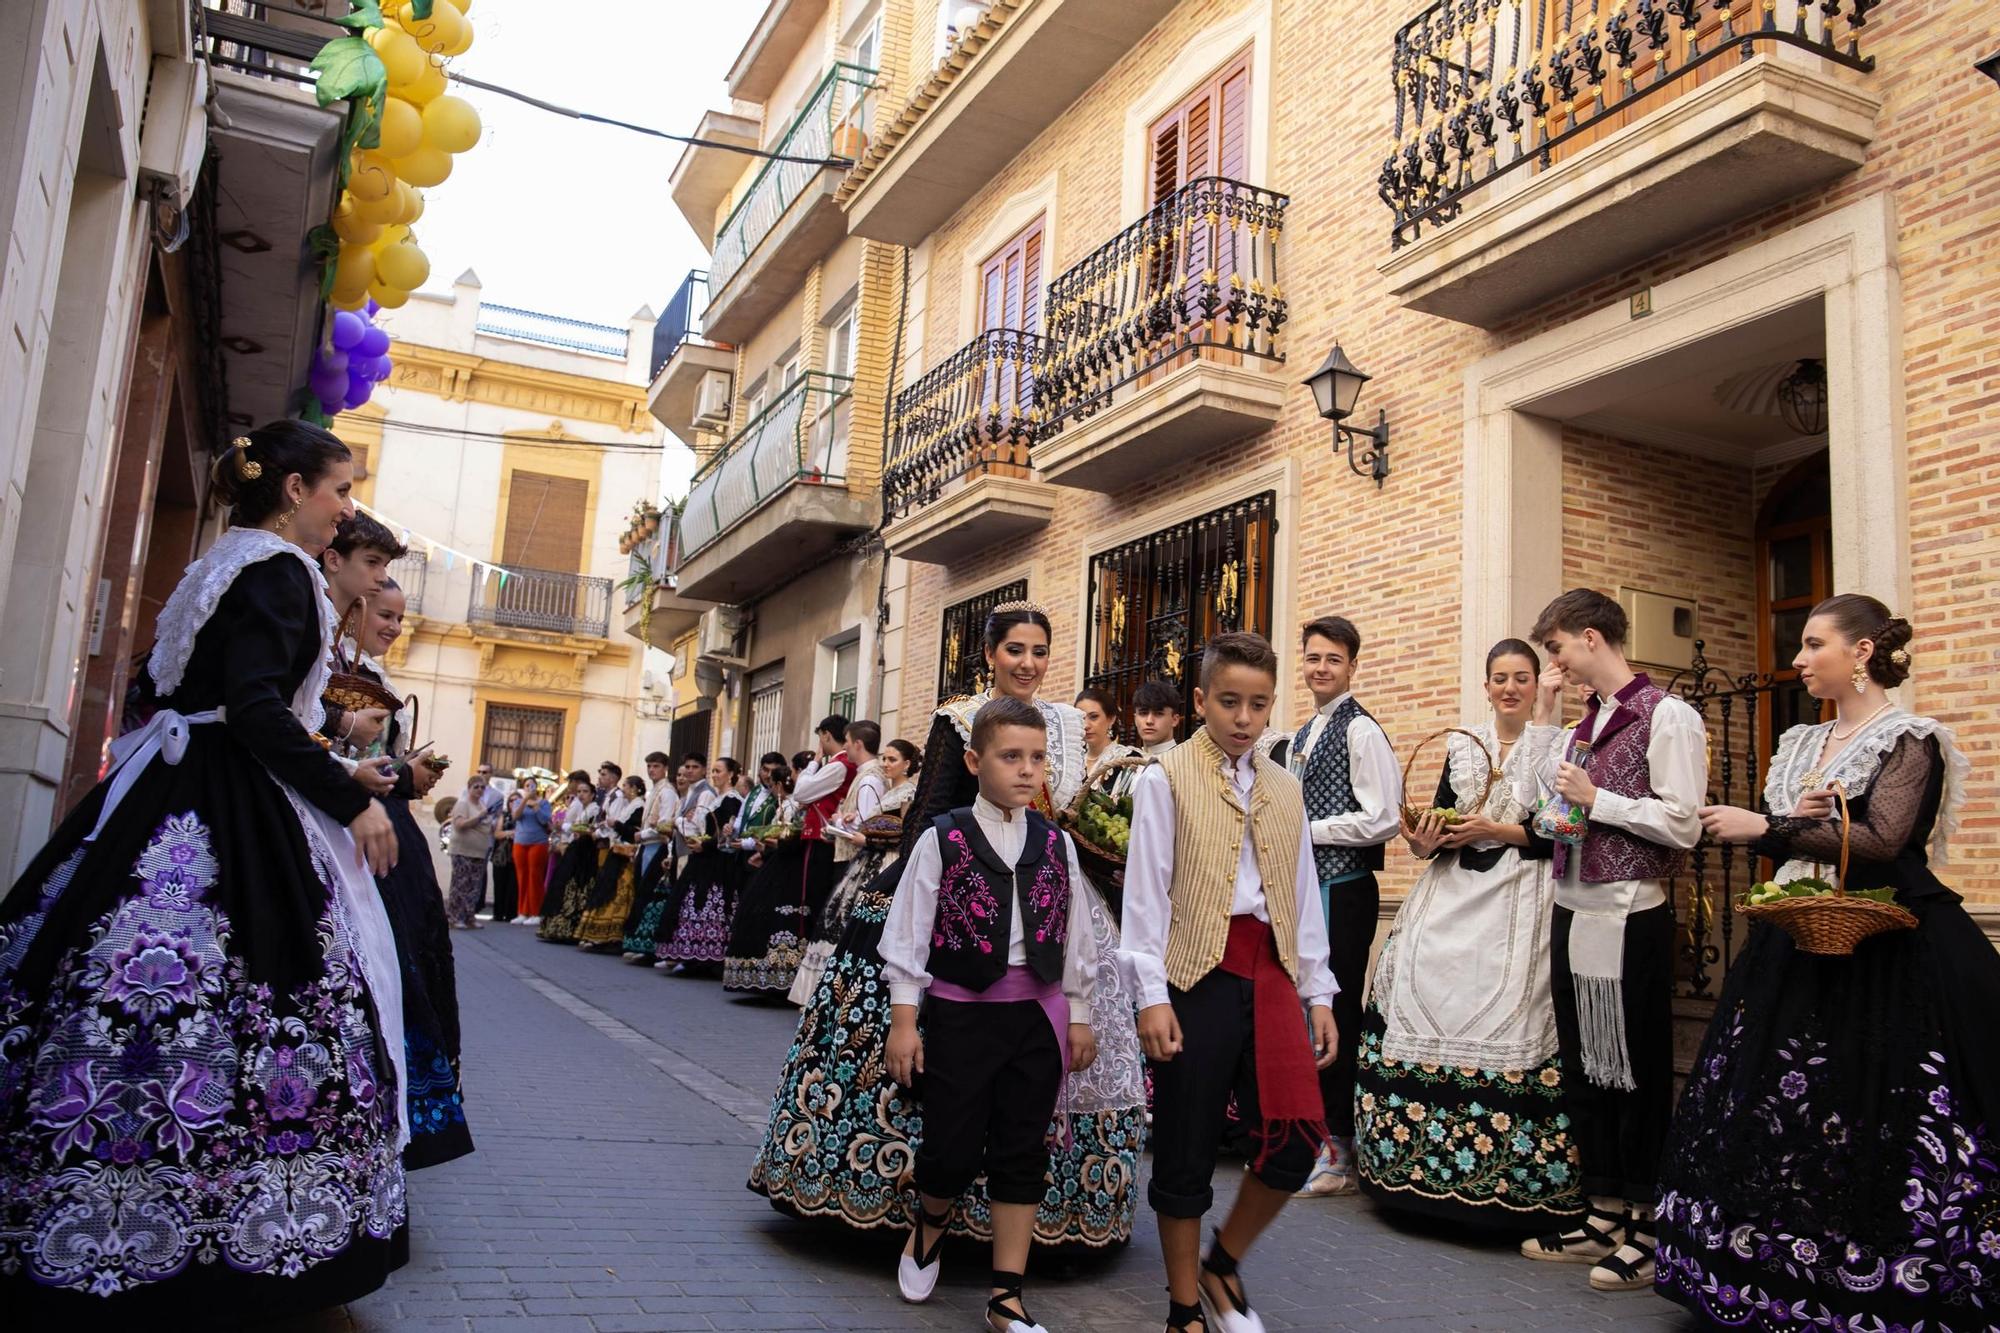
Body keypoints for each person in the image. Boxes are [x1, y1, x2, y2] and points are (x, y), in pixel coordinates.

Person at [0, 423, 409, 1318]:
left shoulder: (215, 565)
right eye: (341, 490)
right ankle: (233, 1227)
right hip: (229, 800)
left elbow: (163, 687)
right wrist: (351, 799)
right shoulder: (278, 570)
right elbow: (256, 706)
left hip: (171, 784)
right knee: (266, 987)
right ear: (296, 488)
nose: (347, 511)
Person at [750, 601, 1142, 1251]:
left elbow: (1069, 811)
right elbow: (928, 813)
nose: (1028, 662)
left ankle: (1050, 1220)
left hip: (1045, 897)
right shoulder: (958, 719)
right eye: (1015, 649)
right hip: (963, 891)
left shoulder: (1069, 724)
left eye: (1039, 650)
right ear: (990, 654)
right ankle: (913, 1201)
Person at [1655, 595, 1995, 1327]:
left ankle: (1878, 1282)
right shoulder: (1802, 740)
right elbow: (1810, 838)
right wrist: (1793, 824)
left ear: (1864, 650)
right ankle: (1763, 1274)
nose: (1801, 658)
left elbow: (1881, 840)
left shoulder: (1911, 738)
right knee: (1781, 1107)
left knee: (1876, 1099)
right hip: (1797, 935)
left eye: (1814, 644)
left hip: (1886, 941)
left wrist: (1766, 827)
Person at [1122, 630, 1339, 1333]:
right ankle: (1184, 1304)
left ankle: (1224, 1262)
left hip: (1272, 967)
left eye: (1259, 704)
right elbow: (1146, 896)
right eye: (1229, 701)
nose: (1244, 717)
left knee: (1299, 1134)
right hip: (1194, 970)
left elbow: (1301, 893)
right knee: (1186, 1140)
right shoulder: (1166, 777)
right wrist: (1150, 993)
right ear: (1199, 700)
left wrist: (1320, 990)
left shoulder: (1285, 785)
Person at [883, 698, 1102, 1331]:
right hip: (960, 1016)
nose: (1027, 770)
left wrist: (1079, 1013)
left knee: (1021, 1148)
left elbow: (1076, 934)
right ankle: (929, 1224)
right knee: (950, 1147)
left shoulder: (1058, 843)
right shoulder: (943, 837)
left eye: (1037, 758)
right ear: (976, 761)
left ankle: (1007, 1293)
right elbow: (909, 934)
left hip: (1037, 1018)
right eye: (1011, 757)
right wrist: (905, 1021)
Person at [1514, 588, 1704, 1293]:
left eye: (1557, 647)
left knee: (1637, 1068)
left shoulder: (1669, 716)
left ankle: (1648, 1225)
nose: (1552, 662)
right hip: (1572, 905)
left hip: (1630, 913)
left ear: (1591, 638)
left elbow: (1683, 822)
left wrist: (1602, 800)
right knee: (1588, 1065)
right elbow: (1539, 802)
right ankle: (1601, 1211)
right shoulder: (1584, 723)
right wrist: (1547, 714)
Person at [1354, 639, 1581, 1228]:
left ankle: (1514, 1179)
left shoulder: (1561, 745)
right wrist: (1423, 840)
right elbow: (1432, 828)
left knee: (1515, 1007)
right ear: (1485, 686)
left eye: (1522, 678)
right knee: (1413, 982)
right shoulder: (1462, 745)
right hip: (1451, 889)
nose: (1510, 688)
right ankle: (1412, 1169)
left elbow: (1562, 833)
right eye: (1500, 678)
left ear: (1537, 685)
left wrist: (1499, 830)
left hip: (1521, 895)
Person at [346, 576, 474, 1170]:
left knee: (415, 961)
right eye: (385, 614)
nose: (394, 627)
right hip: (359, 836)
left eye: (400, 617)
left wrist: (409, 770)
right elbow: (341, 757)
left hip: (393, 834)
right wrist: (404, 769)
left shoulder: (373, 676)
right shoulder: (338, 673)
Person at [1287, 616, 1402, 1199]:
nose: (1321, 668)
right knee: (1308, 1010)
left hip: (1346, 889)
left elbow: (1385, 817)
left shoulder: (1361, 732)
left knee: (1334, 1011)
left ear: (1352, 666)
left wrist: (1309, 829)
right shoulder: (1304, 733)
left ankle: (1338, 1149)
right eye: (1313, 658)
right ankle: (1316, 1138)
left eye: (1333, 659)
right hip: (1309, 892)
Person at [791, 736, 920, 1004]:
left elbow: (906, 833)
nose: (886, 763)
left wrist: (869, 838)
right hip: (869, 858)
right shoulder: (888, 790)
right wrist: (853, 822)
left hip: (886, 861)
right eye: (884, 758)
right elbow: (881, 823)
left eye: (892, 759)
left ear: (907, 764)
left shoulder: (908, 793)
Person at [722, 759, 811, 993]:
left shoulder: (792, 805)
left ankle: (780, 978)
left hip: (788, 866)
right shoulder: (785, 804)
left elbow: (790, 835)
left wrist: (770, 845)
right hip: (776, 860)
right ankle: (759, 976)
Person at [655, 757, 742, 971]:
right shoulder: (715, 799)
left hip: (718, 860)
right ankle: (690, 955)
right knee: (692, 903)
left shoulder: (731, 799)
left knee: (711, 904)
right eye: (713, 770)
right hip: (704, 856)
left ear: (731, 774)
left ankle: (708, 957)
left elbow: (725, 831)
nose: (714, 774)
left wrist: (707, 844)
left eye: (718, 771)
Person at [619, 752, 699, 961]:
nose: (651, 770)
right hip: (647, 846)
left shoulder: (667, 791)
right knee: (643, 891)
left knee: (652, 894)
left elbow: (663, 824)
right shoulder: (655, 790)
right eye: (649, 766)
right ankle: (641, 943)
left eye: (655, 766)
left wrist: (641, 834)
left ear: (664, 768)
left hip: (657, 845)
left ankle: (651, 946)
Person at [576, 774, 648, 950]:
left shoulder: (639, 806)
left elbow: (633, 831)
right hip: (616, 851)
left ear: (634, 788)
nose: (623, 789)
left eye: (626, 785)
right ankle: (599, 934)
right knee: (606, 890)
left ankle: (612, 936)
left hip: (625, 855)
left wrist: (615, 824)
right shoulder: (628, 805)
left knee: (619, 893)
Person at [537, 770, 604, 943]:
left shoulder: (594, 809)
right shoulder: (581, 808)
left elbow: (588, 829)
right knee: (564, 886)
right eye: (580, 791)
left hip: (585, 852)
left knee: (578, 888)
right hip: (576, 849)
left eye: (585, 792)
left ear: (593, 794)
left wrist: (568, 828)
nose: (581, 795)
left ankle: (573, 929)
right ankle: (557, 928)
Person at [1077, 686, 1143, 795]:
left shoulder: (1128, 759)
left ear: (1111, 719)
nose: (1086, 725)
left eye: (1093, 717)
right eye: (1081, 718)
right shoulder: (1073, 760)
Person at [512, 779, 554, 922]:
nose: (530, 788)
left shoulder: (544, 803)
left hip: (538, 843)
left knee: (534, 877)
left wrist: (536, 806)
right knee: (522, 877)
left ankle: (536, 912)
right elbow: (515, 816)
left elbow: (545, 820)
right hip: (520, 843)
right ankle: (522, 912)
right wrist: (525, 801)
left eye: (532, 785)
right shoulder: (519, 801)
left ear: (537, 787)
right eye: (526, 786)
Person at [1131, 678, 1184, 760]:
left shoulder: (1184, 760)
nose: (1149, 721)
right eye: (1143, 713)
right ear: (1135, 719)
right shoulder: (1128, 763)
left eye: (1158, 714)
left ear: (1174, 720)